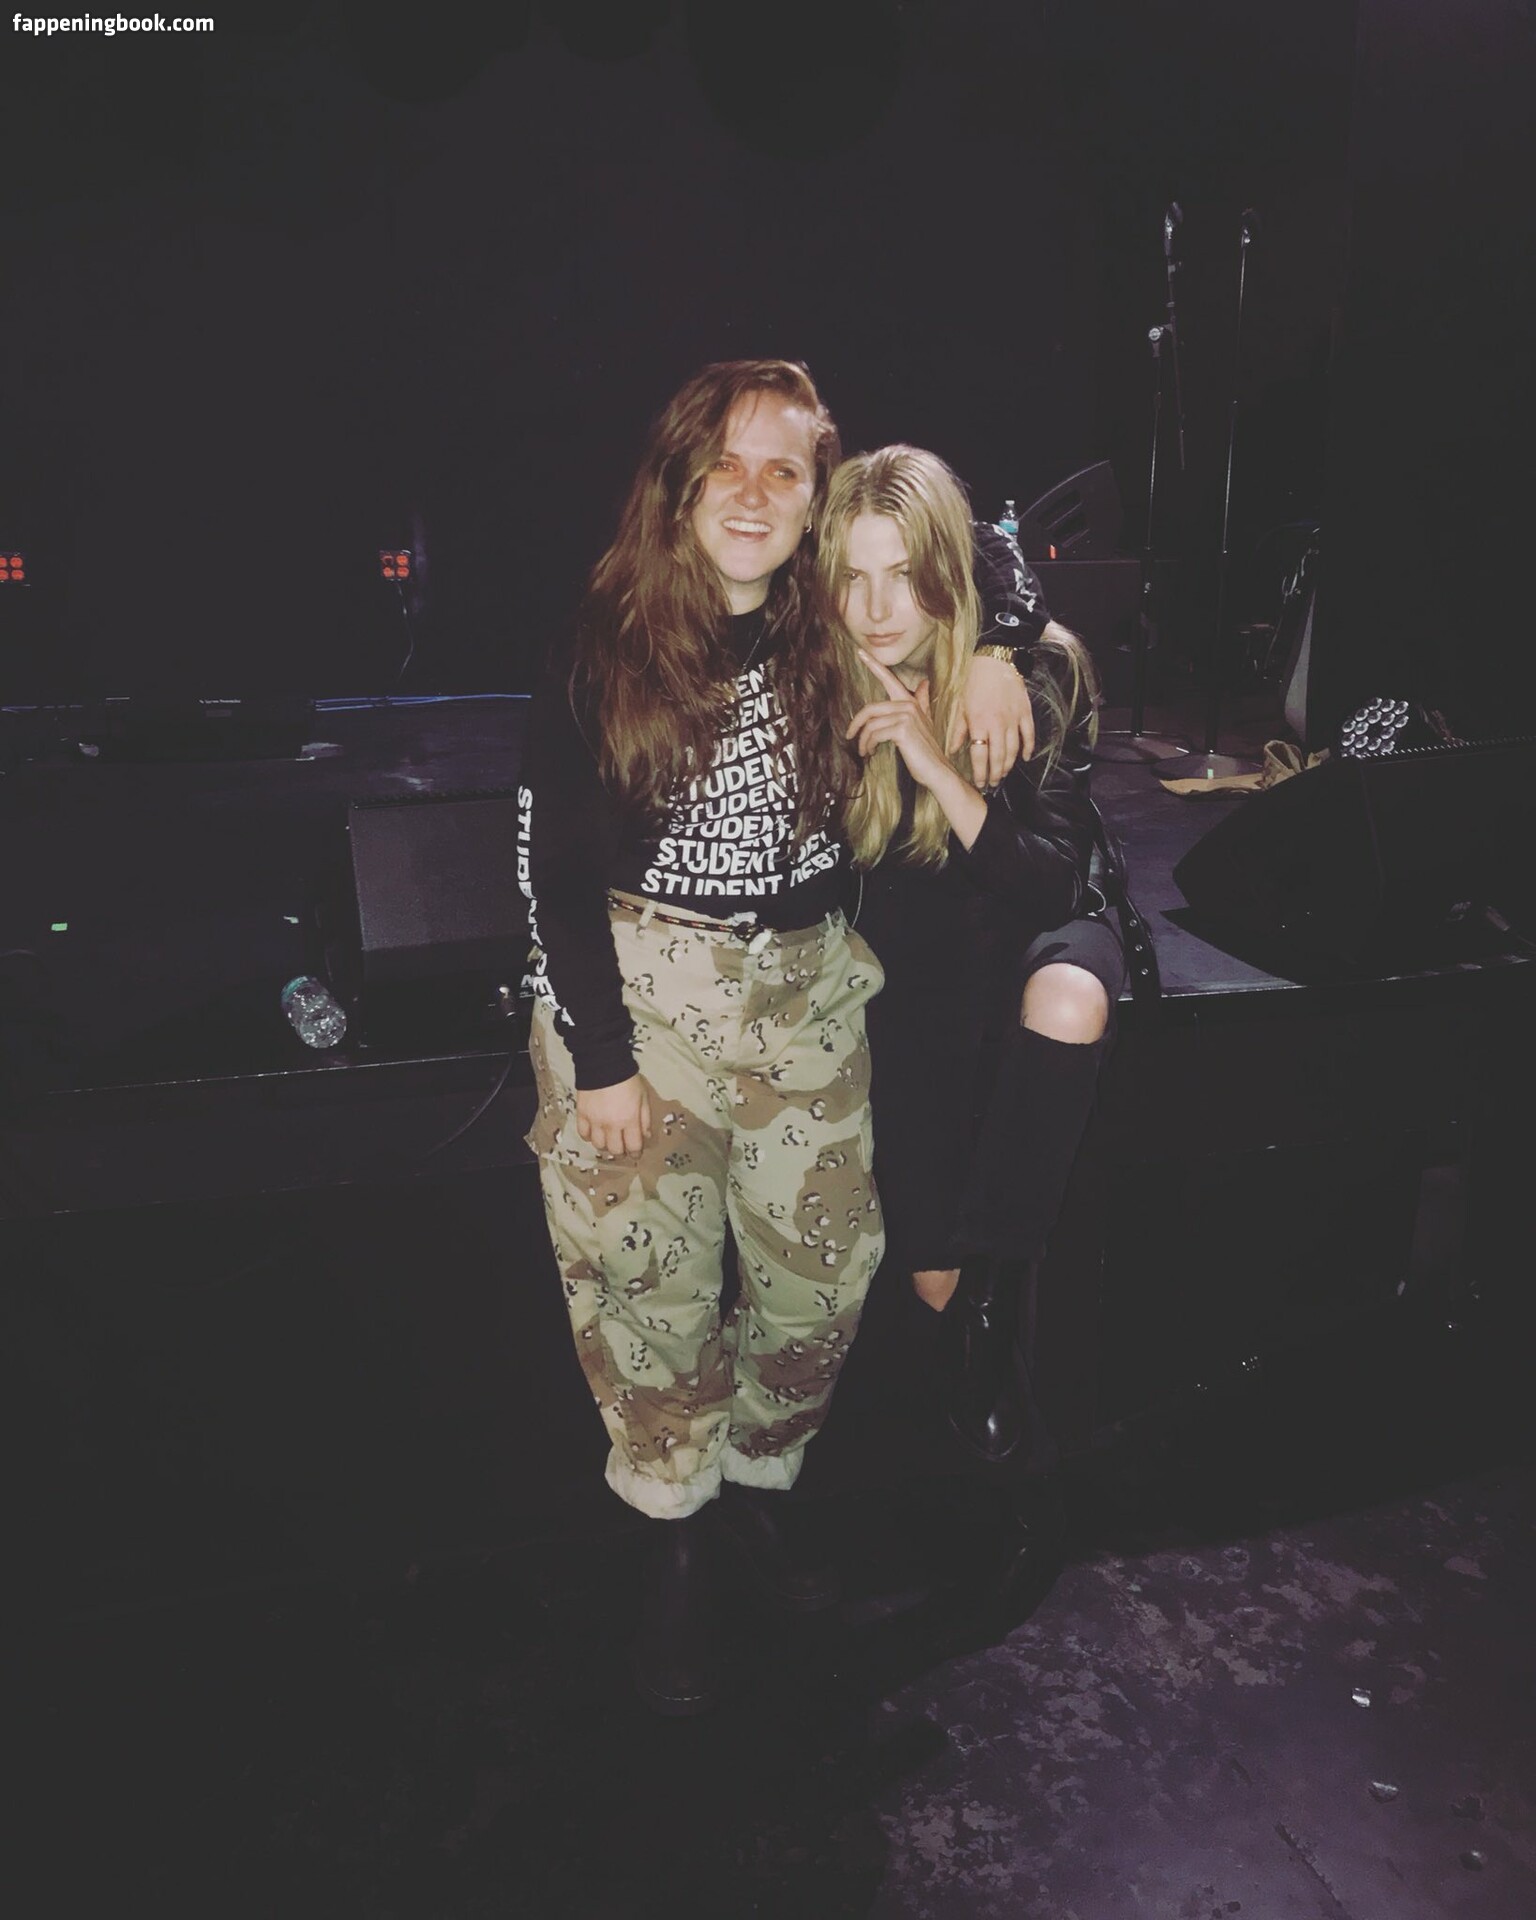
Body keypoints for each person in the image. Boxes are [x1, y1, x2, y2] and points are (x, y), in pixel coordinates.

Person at [516, 365, 1034, 1714]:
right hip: (645, 989)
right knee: (654, 1285)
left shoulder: (829, 628)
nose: (752, 495)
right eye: (725, 466)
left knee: (821, 1282)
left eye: (783, 471)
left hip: (805, 990)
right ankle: (674, 1537)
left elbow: (963, 560)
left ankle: (754, 1490)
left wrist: (1003, 648)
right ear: (680, 483)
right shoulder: (604, 642)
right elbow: (554, 873)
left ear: (814, 496)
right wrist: (602, 1057)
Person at [818, 444, 1127, 1500]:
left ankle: (994, 1314)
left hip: (1043, 914)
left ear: (946, 575)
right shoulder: (821, 681)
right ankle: (965, 1359)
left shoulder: (1033, 673)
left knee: (1069, 998)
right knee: (929, 1276)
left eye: (903, 575)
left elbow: (1050, 882)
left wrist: (938, 760)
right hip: (924, 953)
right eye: (853, 577)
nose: (875, 608)